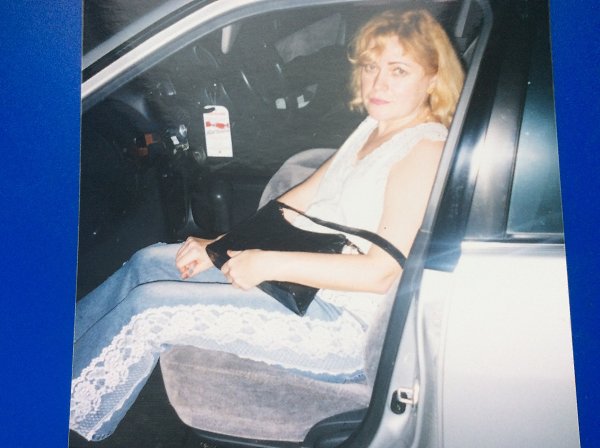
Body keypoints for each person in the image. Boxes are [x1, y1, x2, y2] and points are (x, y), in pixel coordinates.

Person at [69, 8, 464, 442]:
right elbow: (298, 199)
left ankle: (61, 418)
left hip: (338, 322)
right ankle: (52, 358)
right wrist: (219, 246)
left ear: (433, 78)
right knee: (148, 262)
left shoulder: (424, 148)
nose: (378, 82)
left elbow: (380, 273)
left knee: (149, 308)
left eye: (398, 70)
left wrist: (266, 263)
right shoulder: (376, 125)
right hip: (305, 286)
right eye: (371, 66)